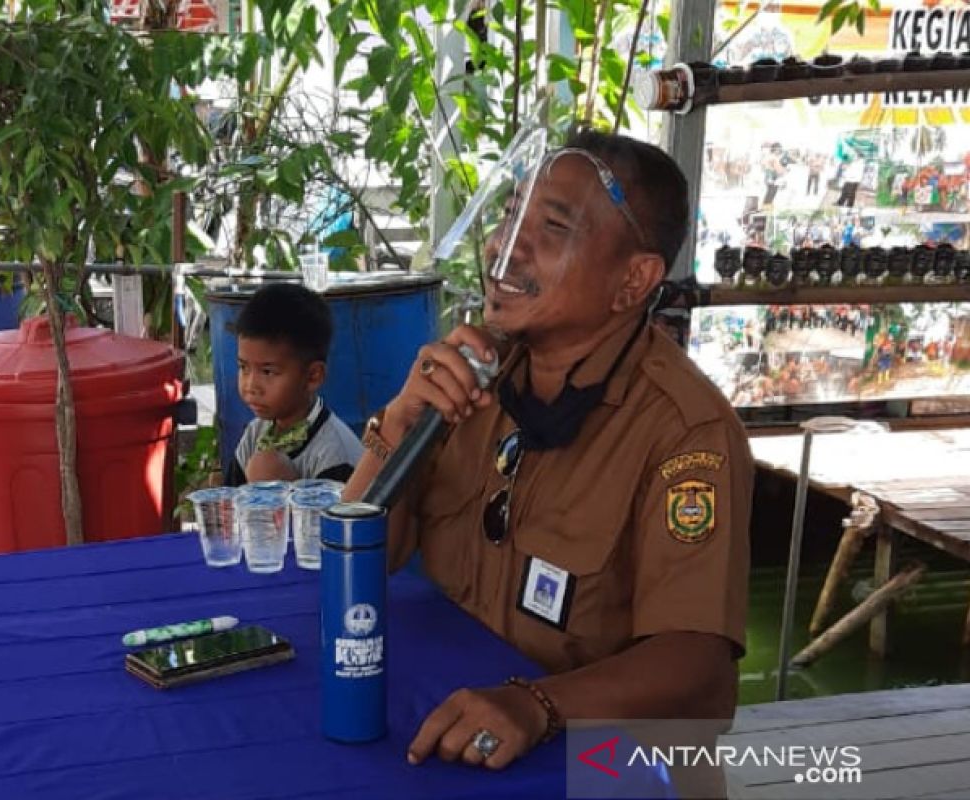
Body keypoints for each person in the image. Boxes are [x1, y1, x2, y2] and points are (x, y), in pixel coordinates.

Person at [344, 131, 752, 794]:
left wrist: (538, 704)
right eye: (510, 216)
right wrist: (399, 426)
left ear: (633, 281)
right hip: (459, 734)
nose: (506, 246)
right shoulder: (477, 373)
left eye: (551, 226)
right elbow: (359, 563)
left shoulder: (685, 431)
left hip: (608, 770)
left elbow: (697, 662)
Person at [223, 283, 362, 486]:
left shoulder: (334, 454)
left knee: (265, 466)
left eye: (268, 372)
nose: (251, 385)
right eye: (243, 368)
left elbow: (334, 518)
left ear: (313, 376)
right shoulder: (256, 433)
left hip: (311, 519)